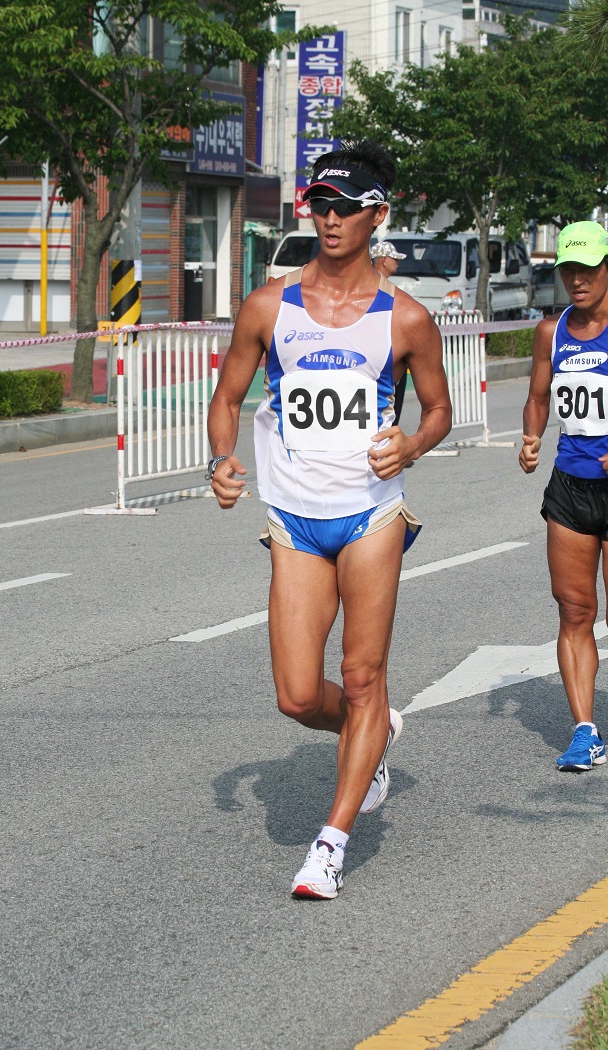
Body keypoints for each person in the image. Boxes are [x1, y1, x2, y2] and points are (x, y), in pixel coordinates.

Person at [207, 139, 452, 899]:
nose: (331, 217)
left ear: (378, 214)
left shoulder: (405, 319)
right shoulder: (268, 305)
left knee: (361, 672)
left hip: (371, 517)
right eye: (321, 203)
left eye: (347, 206)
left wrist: (410, 442)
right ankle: (371, 734)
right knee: (296, 695)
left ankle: (330, 843)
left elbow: (441, 411)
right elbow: (227, 400)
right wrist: (219, 461)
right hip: (293, 518)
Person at [519, 220, 608, 773]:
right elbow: (536, 397)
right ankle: (584, 731)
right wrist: (530, 436)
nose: (577, 279)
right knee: (574, 609)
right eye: (568, 270)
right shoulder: (552, 332)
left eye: (588, 268)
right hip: (571, 488)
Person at [372, 241, 409, 429]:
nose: (397, 263)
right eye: (394, 259)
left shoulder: (386, 287)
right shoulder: (378, 288)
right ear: (384, 260)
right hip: (383, 357)